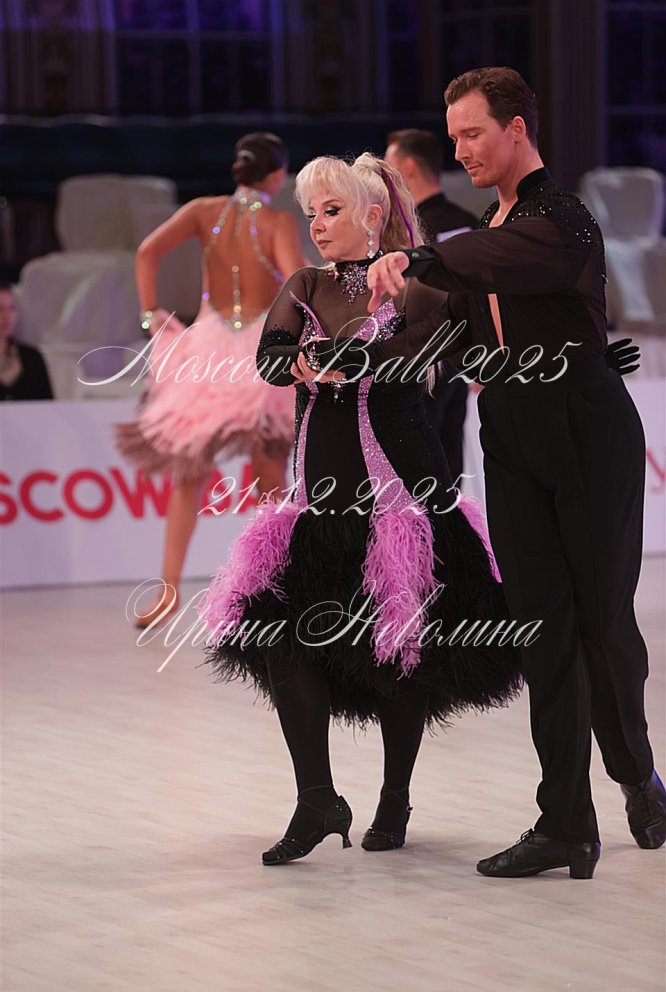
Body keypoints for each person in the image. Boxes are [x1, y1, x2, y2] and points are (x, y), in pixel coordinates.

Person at [325, 67, 664, 879]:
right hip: (509, 435)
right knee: (541, 632)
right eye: (453, 138)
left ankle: (636, 775)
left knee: (602, 625)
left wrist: (419, 256)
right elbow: (443, 329)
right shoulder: (485, 226)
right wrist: (350, 355)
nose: (462, 151)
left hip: (585, 430)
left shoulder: (561, 219)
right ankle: (565, 823)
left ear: (517, 129)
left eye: (473, 134)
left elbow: (496, 260)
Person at [199, 152, 522, 866]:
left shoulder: (417, 285)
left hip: (403, 498)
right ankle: (316, 796)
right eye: (311, 212)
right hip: (318, 503)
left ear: (372, 216)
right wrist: (296, 361)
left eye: (332, 210)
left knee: (402, 650)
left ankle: (394, 796)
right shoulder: (305, 284)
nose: (317, 224)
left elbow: (424, 349)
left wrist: (354, 356)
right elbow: (269, 356)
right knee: (281, 640)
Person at [115, 133, 307, 629]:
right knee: (270, 473)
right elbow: (297, 283)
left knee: (188, 473)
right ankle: (275, 587)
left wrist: (149, 314)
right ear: (277, 175)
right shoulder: (277, 222)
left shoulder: (204, 211)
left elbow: (146, 252)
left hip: (208, 347)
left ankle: (168, 591)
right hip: (259, 349)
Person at [385, 129, 476, 484]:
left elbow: (470, 291)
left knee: (423, 472)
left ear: (407, 168)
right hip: (452, 360)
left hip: (423, 365)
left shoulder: (411, 230)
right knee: (446, 468)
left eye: (389, 166)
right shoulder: (462, 220)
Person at [0, 283, 54, 401]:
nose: (7, 316)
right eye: (0, 309)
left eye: (12, 308)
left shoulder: (31, 357)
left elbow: (48, 405)